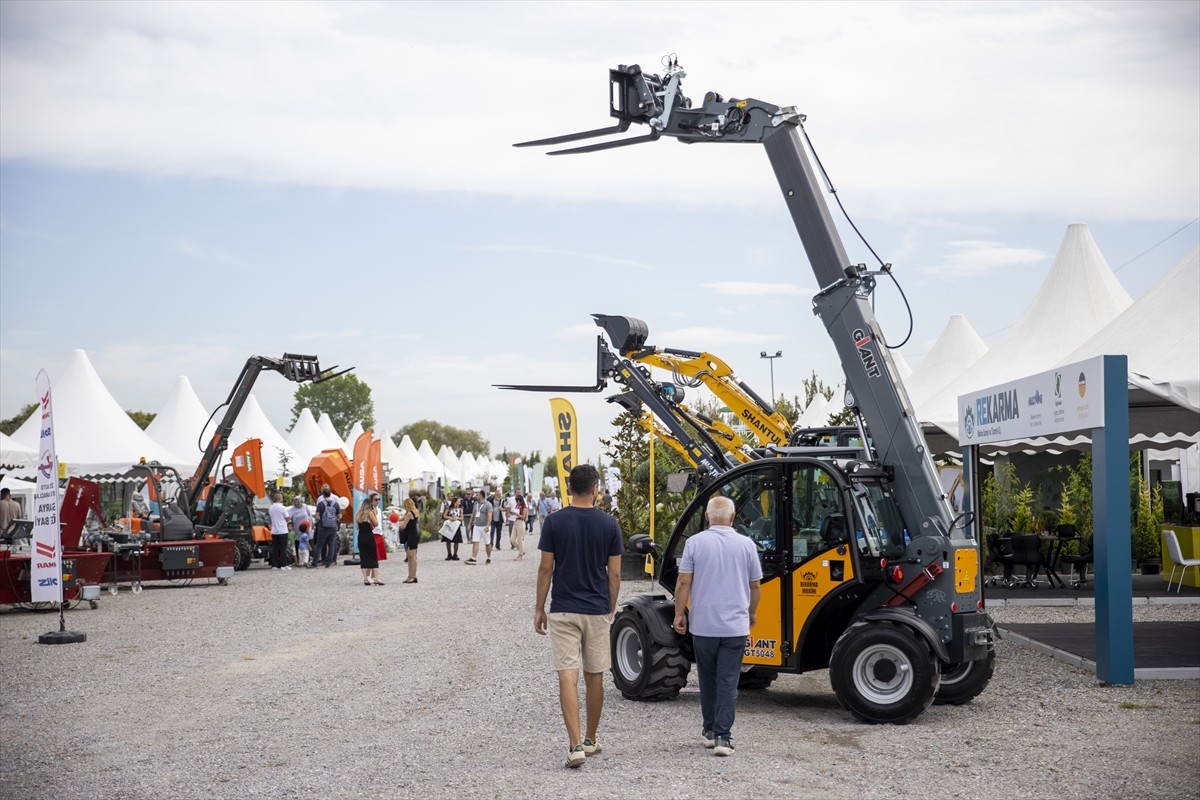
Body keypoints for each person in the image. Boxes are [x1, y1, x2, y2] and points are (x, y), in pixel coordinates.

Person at [534, 464, 623, 769]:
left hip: (563, 608)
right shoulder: (609, 524)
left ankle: (574, 746)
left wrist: (539, 607)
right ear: (596, 488)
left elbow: (546, 568)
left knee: (566, 674)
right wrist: (611, 605)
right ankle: (590, 738)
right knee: (595, 674)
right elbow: (615, 573)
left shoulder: (554, 522)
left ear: (570, 487)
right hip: (596, 608)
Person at [671, 495, 762, 757]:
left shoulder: (695, 543)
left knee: (707, 679)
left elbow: (684, 582)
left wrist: (680, 612)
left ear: (708, 517)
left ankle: (710, 730)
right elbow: (755, 585)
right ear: (732, 518)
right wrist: (752, 611)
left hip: (703, 625)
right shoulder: (746, 545)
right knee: (728, 681)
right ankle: (724, 737)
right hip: (734, 627)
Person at [355, 493, 384, 585]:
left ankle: (365, 579)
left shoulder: (358, 514)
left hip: (361, 536)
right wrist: (374, 515)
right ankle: (376, 578)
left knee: (363, 557)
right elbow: (376, 524)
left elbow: (357, 527)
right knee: (373, 557)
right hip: (369, 536)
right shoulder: (370, 513)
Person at [314, 486, 340, 568]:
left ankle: (315, 562)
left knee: (319, 545)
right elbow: (339, 516)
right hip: (333, 527)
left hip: (323, 527)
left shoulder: (321, 504)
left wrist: (317, 519)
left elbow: (317, 517)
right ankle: (329, 563)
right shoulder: (335, 504)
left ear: (323, 495)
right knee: (331, 545)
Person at [464, 489, 492, 565]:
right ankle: (473, 558)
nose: (476, 496)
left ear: (482, 496)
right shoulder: (475, 503)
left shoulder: (488, 504)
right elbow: (473, 514)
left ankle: (488, 557)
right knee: (475, 542)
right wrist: (470, 524)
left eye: (477, 495)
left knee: (487, 543)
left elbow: (490, 516)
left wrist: (488, 526)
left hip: (485, 527)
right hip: (476, 526)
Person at [268, 492, 292, 571]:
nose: (282, 499)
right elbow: (288, 518)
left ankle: (274, 565)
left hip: (274, 531)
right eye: (281, 498)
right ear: (279, 499)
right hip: (282, 530)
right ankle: (283, 565)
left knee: (275, 548)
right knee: (283, 548)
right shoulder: (282, 508)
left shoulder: (270, 508)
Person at [400, 496, 421, 583]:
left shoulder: (409, 514)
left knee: (412, 556)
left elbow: (403, 526)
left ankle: (413, 576)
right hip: (414, 535)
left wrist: (398, 527)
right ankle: (410, 575)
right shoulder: (415, 512)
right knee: (410, 556)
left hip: (411, 535)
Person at [287, 496, 313, 564]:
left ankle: (308, 559)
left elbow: (310, 516)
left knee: (307, 542)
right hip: (297, 529)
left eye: (297, 501)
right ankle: (300, 560)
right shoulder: (292, 509)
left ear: (300, 501)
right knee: (299, 544)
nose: (296, 503)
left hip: (306, 529)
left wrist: (312, 524)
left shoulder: (305, 507)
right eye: (295, 502)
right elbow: (289, 519)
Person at [440, 495, 463, 561]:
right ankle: (449, 554)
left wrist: (457, 518)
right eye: (458, 502)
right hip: (449, 525)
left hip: (456, 526)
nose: (459, 503)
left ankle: (455, 554)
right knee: (448, 540)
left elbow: (462, 518)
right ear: (454, 502)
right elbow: (444, 516)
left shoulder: (460, 509)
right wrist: (450, 517)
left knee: (456, 541)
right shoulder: (449, 508)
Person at [510, 492, 528, 561]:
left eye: (518, 501)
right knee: (512, 540)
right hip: (515, 522)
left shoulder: (524, 508)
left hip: (520, 522)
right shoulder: (517, 506)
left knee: (520, 539)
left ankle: (520, 555)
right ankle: (521, 550)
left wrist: (516, 514)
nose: (517, 502)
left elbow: (523, 517)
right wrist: (512, 513)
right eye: (516, 501)